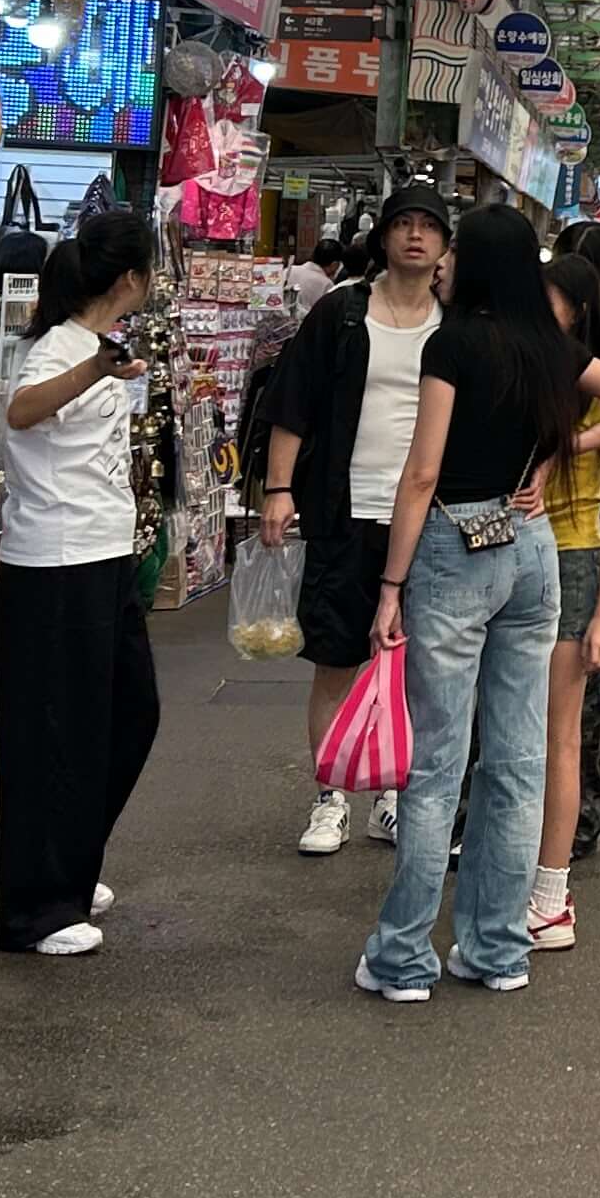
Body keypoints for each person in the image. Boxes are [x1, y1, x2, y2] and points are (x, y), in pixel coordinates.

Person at [359, 208, 600, 999]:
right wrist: (572, 446)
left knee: (437, 766)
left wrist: (390, 586)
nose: (445, 263)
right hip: (532, 551)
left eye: (455, 251)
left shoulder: (451, 343)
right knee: (519, 761)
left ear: (476, 265)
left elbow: (420, 473)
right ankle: (496, 950)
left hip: (453, 546)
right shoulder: (552, 349)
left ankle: (402, 958)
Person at [0, 207, 164, 958]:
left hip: (102, 557)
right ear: (130, 278)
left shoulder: (95, 345)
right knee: (56, 736)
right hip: (55, 564)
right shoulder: (60, 346)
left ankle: (69, 859)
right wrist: (96, 367)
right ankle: (35, 908)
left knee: (130, 713)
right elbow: (21, 413)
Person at [258, 185, 448, 856]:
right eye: (405, 225)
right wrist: (280, 487)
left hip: (427, 519)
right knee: (337, 656)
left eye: (429, 226)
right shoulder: (342, 313)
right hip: (344, 507)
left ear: (445, 246)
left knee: (414, 662)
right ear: (384, 238)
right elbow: (293, 404)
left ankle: (393, 793)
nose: (416, 237)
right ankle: (330, 794)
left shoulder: (453, 324)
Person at [531, 251, 600, 947]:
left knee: (559, 739)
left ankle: (550, 891)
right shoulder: (521, 372)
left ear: (574, 308)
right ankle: (524, 875)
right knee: (514, 737)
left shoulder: (597, 390)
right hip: (512, 557)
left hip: (570, 562)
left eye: (548, 300)